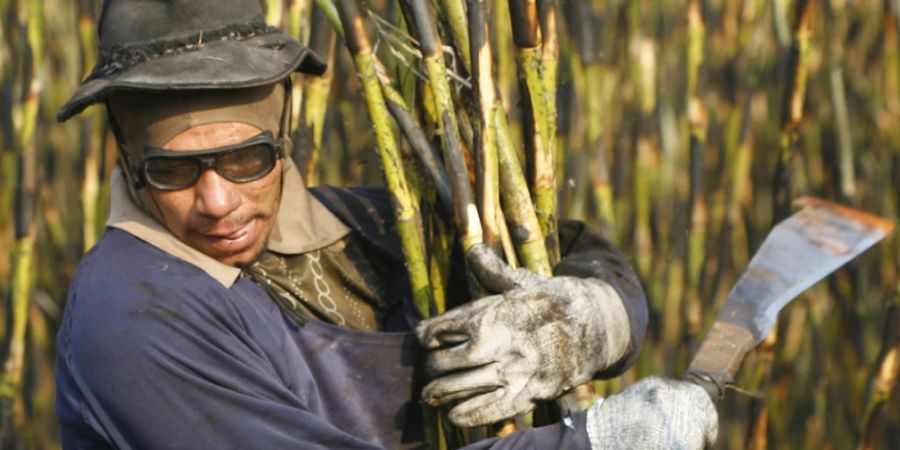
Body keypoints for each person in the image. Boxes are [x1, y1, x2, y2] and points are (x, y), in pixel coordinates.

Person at [54, 0, 718, 448]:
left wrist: (593, 320)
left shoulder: (365, 226)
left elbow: (571, 250)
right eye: (174, 170)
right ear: (125, 154)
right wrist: (593, 439)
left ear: (283, 134)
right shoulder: (129, 316)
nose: (219, 201)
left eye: (247, 160)